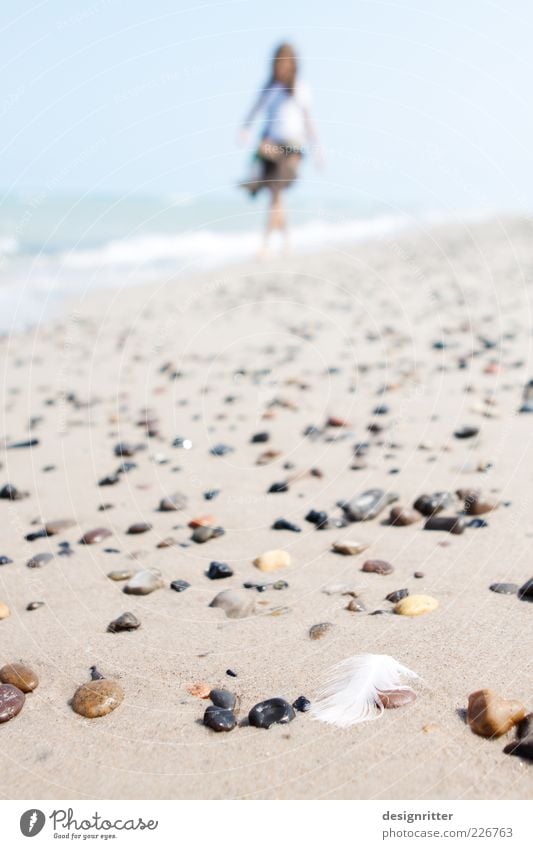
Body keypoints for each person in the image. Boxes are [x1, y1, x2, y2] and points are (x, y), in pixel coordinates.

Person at [239, 42, 323, 255]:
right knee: (276, 194)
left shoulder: (299, 88)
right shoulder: (269, 89)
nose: (281, 69)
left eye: (285, 64)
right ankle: (286, 242)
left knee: (275, 192)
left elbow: (308, 121)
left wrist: (317, 151)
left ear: (293, 65)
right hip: (272, 144)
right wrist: (246, 129)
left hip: (292, 147)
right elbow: (254, 110)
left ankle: (267, 244)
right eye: (278, 64)